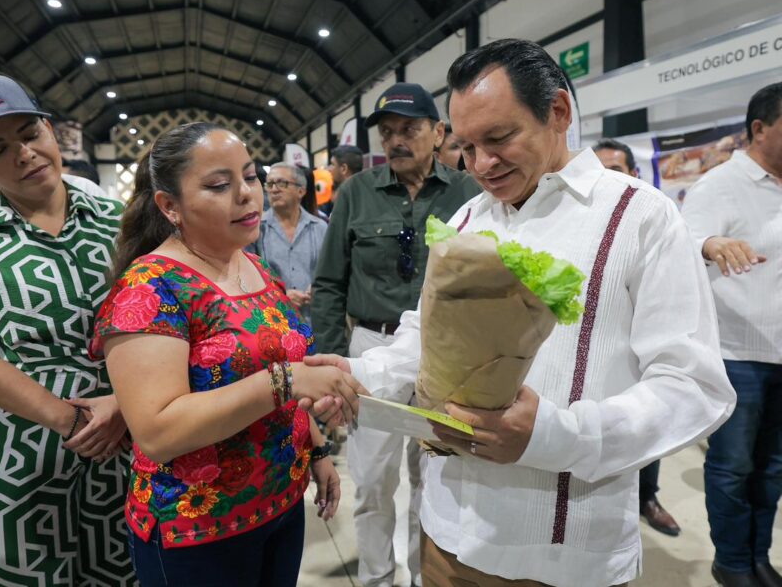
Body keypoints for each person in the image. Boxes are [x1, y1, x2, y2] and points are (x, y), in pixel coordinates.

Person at [308, 39, 735, 587]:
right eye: (465, 146)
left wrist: (553, 434)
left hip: (562, 555)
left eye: (500, 138)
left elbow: (694, 387)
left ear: (558, 112)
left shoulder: (640, 218)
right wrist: (360, 377)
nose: (481, 164)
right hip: (445, 539)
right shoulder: (467, 218)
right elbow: (425, 337)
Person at [91, 121, 364, 587]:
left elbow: (283, 360)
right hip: (197, 530)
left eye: (251, 176)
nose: (247, 194)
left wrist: (316, 447)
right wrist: (286, 380)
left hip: (279, 505)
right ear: (169, 206)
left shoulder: (253, 265)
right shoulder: (151, 287)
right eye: (220, 185)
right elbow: (157, 430)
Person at [312, 81, 480, 587]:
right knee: (372, 482)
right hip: (373, 346)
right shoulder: (356, 193)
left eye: (409, 128)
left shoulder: (468, 192)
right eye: (388, 132)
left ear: (438, 131)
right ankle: (376, 579)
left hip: (445, 356)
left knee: (433, 480)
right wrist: (334, 365)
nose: (397, 140)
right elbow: (329, 283)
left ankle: (420, 576)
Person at [0, 73, 135, 584]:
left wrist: (122, 403)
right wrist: (68, 421)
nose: (23, 154)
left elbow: (172, 329)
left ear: (50, 131)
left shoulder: (125, 225)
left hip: (134, 443)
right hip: (24, 461)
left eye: (29, 134)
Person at [681, 82, 782, 587]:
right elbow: (686, 241)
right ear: (759, 128)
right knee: (733, 468)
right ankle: (733, 562)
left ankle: (759, 556)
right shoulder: (720, 184)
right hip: (738, 353)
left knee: (772, 470)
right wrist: (712, 243)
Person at [593, 137, 681, 538]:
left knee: (644, 429)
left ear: (633, 173)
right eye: (598, 171)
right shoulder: (583, 223)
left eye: (614, 170)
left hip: (642, 350)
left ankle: (648, 497)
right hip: (596, 358)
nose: (605, 180)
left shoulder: (654, 216)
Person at [252, 162, 328, 324]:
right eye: (270, 184)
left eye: (282, 183)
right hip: (274, 323)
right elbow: (248, 276)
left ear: (301, 191)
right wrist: (281, 295)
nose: (274, 189)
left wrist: (319, 289)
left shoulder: (320, 227)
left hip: (316, 321)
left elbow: (331, 271)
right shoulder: (256, 229)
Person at [322, 144, 363, 216]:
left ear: (344, 168)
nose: (329, 169)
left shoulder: (345, 200)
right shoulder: (366, 195)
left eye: (332, 164)